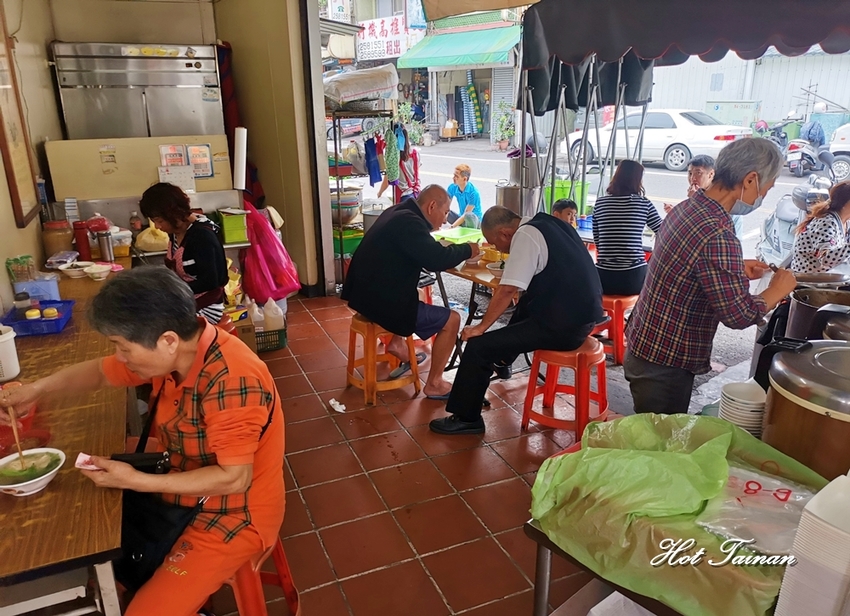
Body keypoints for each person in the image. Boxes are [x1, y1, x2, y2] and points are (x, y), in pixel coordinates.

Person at [0, 267, 285, 616]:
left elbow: (234, 478)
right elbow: (101, 373)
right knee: (92, 495)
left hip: (232, 512)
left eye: (122, 347)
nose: (120, 357)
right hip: (183, 470)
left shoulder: (232, 380)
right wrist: (36, 390)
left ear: (167, 340)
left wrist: (135, 480)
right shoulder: (177, 349)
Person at [624, 139, 798, 415]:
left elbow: (683, 263)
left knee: (652, 436)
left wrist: (734, 267)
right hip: (665, 361)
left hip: (646, 344)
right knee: (658, 447)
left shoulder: (689, 207)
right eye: (768, 187)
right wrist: (776, 290)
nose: (765, 194)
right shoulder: (718, 233)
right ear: (751, 180)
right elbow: (738, 315)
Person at [429, 206, 603, 435]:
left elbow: (507, 289)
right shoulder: (549, 223)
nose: (494, 247)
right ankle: (503, 360)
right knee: (524, 304)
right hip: (584, 317)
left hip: (564, 327)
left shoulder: (525, 236)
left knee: (479, 347)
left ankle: (467, 417)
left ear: (505, 233)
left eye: (493, 242)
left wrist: (481, 327)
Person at [341, 185, 479, 399]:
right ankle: (434, 384)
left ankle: (397, 344)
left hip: (361, 294)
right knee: (452, 319)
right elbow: (436, 260)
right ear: (431, 206)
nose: (444, 220)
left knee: (415, 291)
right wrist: (469, 249)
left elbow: (421, 251)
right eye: (444, 213)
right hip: (379, 302)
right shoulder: (410, 223)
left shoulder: (398, 212)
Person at [140, 183, 228, 325]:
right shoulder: (175, 232)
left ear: (174, 214)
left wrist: (171, 291)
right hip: (186, 299)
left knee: (155, 327)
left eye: (159, 221)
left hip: (207, 306)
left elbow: (211, 282)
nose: (157, 227)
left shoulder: (201, 236)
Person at [591, 160, 663, 296]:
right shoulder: (643, 203)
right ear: (637, 180)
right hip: (633, 279)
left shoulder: (600, 203)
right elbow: (663, 231)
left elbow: (598, 242)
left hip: (603, 279)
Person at [664, 155, 744, 239]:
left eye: (698, 173)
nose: (692, 178)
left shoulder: (724, 203)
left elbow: (703, 228)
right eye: (690, 173)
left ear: (711, 174)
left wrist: (695, 202)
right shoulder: (696, 196)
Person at [791, 181, 850, 273]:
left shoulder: (845, 222)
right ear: (845, 205)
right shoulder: (826, 222)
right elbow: (826, 259)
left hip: (830, 278)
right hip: (809, 281)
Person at [378, 126, 420, 202]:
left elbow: (386, 181)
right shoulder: (415, 153)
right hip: (417, 194)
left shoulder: (394, 159)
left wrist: (379, 193)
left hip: (404, 196)